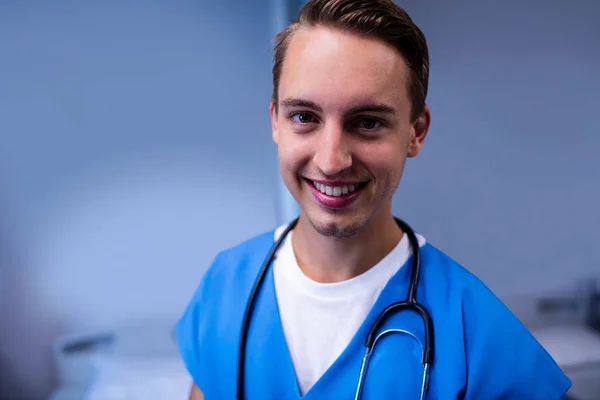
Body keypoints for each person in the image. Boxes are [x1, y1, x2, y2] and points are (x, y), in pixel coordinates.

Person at [176, 0, 572, 398]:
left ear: (416, 132)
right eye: (304, 117)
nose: (331, 161)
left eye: (367, 122)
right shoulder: (226, 286)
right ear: (275, 120)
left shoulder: (476, 331)